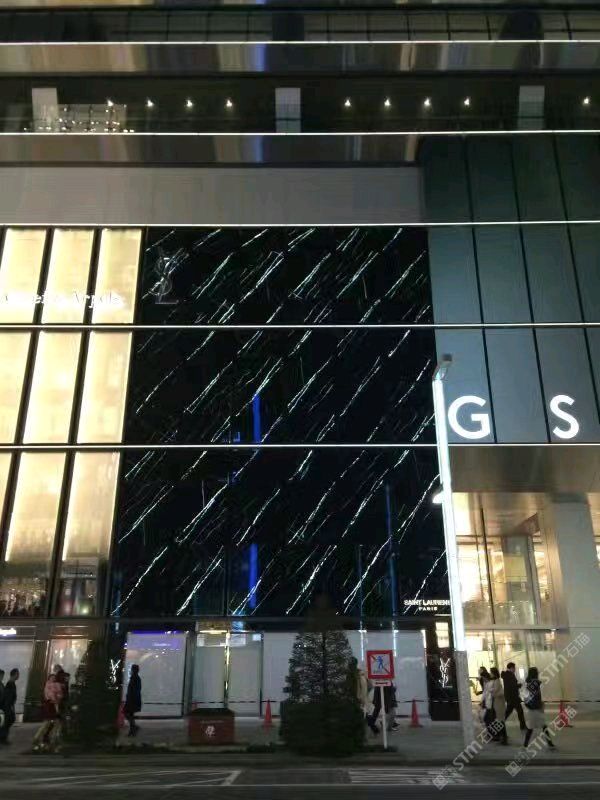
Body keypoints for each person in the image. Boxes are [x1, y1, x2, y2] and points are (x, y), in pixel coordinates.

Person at [523, 667, 555, 749]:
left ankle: (525, 744)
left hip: (531, 708)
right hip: (537, 707)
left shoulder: (527, 683)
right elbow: (541, 694)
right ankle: (550, 743)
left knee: (532, 727)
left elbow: (525, 696)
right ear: (535, 673)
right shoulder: (537, 683)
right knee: (542, 726)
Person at [32, 671, 64, 751]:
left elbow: (56, 695)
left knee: (50, 723)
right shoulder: (51, 686)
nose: (53, 679)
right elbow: (53, 696)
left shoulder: (51, 686)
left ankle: (42, 738)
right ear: (49, 678)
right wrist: (56, 698)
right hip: (50, 706)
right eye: (52, 677)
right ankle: (43, 738)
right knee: (49, 722)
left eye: (54, 678)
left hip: (50, 706)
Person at [484, 667, 508, 744]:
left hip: (499, 703)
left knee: (500, 721)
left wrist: (491, 691)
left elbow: (496, 691)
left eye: (491, 672)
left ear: (494, 673)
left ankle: (503, 738)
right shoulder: (495, 681)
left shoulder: (497, 681)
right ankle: (502, 737)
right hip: (496, 703)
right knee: (499, 721)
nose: (490, 674)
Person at [502, 662, 527, 731]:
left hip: (511, 697)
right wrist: (519, 685)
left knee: (510, 712)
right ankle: (523, 726)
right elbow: (512, 686)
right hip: (513, 698)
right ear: (511, 668)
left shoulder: (506, 675)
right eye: (514, 668)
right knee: (519, 711)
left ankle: (499, 723)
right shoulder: (509, 675)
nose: (515, 669)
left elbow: (510, 686)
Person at [0, 668, 19, 745]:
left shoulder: (4, 684)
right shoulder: (10, 684)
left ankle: (3, 737)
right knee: (7, 721)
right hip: (5, 707)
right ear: (14, 674)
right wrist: (9, 707)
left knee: (8, 721)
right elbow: (7, 697)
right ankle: (2, 738)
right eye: (17, 674)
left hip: (6, 706)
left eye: (2, 675)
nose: (2, 677)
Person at [123, 664, 142, 737]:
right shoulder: (136, 678)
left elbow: (134, 690)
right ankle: (133, 729)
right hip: (133, 699)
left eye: (132, 669)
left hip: (132, 700)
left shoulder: (134, 678)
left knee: (127, 713)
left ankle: (133, 729)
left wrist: (129, 698)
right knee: (130, 714)